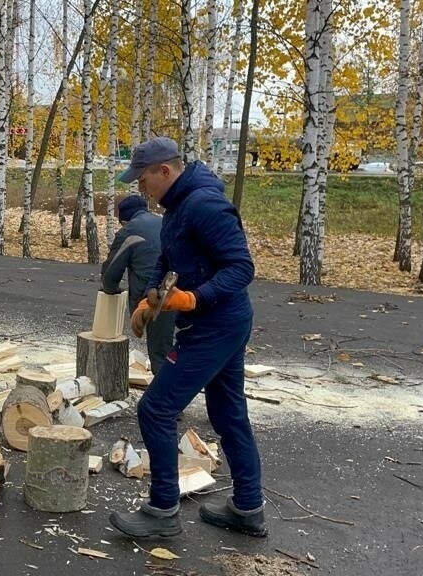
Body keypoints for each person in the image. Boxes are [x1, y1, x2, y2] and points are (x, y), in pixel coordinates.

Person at [108, 137, 266, 538]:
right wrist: (150, 296)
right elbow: (168, 257)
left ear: (165, 171)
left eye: (143, 180)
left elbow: (241, 267)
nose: (141, 190)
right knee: (229, 414)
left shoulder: (204, 204)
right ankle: (248, 508)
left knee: (156, 409)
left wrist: (195, 298)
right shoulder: (177, 207)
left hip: (216, 324)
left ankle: (162, 511)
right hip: (218, 323)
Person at [100, 194, 175, 374]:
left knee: (159, 350)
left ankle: (162, 395)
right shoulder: (165, 221)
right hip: (183, 286)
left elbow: (111, 271)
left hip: (156, 293)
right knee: (183, 341)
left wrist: (110, 289)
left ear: (124, 219)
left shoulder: (128, 231)